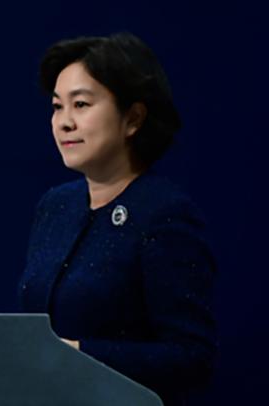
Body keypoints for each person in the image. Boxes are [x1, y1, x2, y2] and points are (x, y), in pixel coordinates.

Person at [18, 32, 217, 405]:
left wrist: (80, 353)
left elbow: (192, 357)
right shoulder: (56, 206)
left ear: (133, 118)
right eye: (57, 106)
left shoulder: (164, 214)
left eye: (81, 104)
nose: (64, 122)